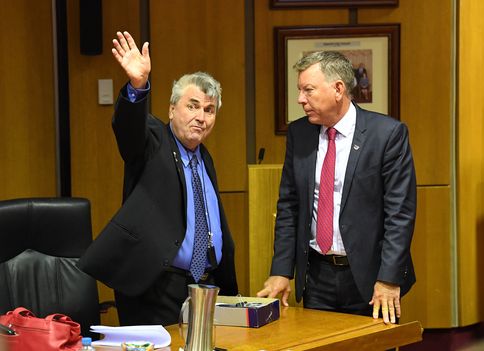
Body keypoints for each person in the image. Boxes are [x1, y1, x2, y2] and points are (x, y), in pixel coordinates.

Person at [78, 31, 238, 326]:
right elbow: (128, 128)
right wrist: (137, 86)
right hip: (157, 287)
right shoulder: (153, 141)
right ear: (171, 109)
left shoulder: (205, 158)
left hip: (206, 285)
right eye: (192, 106)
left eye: (209, 110)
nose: (201, 117)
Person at [257, 51, 416, 325]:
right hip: (317, 276)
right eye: (299, 90)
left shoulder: (387, 135)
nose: (300, 100)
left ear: (338, 89)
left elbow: (399, 214)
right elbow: (289, 206)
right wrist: (282, 271)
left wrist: (388, 279)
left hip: (370, 277)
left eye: (308, 90)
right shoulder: (300, 134)